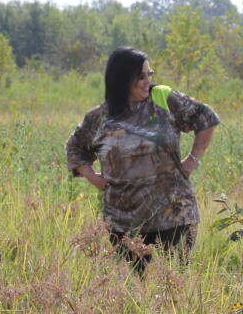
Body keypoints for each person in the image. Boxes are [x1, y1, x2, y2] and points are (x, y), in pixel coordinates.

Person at [65, 47, 220, 272]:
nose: (148, 81)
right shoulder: (99, 117)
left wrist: (192, 160)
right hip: (124, 222)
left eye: (150, 74)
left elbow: (207, 118)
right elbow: (74, 148)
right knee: (134, 286)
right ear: (121, 79)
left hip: (174, 214)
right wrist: (93, 177)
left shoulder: (163, 99)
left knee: (175, 282)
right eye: (141, 76)